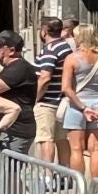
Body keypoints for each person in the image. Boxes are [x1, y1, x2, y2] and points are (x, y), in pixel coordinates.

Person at [61, 24, 98, 179]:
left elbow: (66, 88)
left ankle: (80, 189)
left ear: (80, 37)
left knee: (76, 148)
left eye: (75, 36)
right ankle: (96, 189)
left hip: (77, 106)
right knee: (96, 149)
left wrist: (83, 107)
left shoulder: (72, 58)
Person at [0, 31, 38, 157]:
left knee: (10, 172)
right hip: (8, 128)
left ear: (11, 50)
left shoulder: (20, 67)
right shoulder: (11, 67)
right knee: (2, 170)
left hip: (17, 131)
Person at [32, 18, 74, 164]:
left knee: (46, 139)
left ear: (44, 32)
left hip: (47, 102)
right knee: (62, 139)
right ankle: (65, 174)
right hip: (62, 101)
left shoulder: (49, 50)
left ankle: (47, 176)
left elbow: (45, 77)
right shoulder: (66, 47)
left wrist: (35, 97)